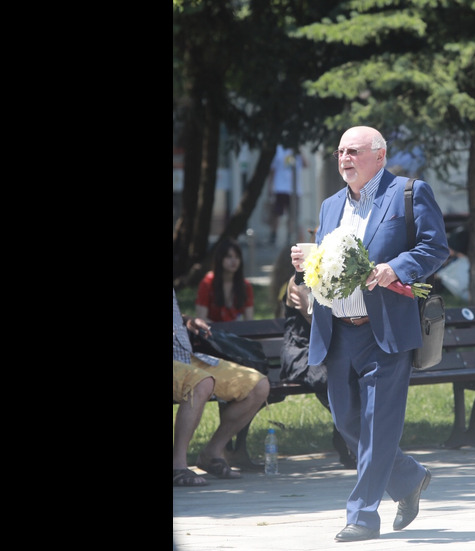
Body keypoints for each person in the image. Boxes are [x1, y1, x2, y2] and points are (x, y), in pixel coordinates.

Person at [291, 126, 450, 542]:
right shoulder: (329, 206)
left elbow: (435, 247)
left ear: (379, 156)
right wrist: (308, 261)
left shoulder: (407, 193)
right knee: (347, 421)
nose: (344, 158)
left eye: (354, 151)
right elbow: (331, 265)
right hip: (338, 331)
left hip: (384, 331)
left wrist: (396, 267)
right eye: (340, 151)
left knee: (378, 426)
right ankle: (409, 478)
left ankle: (361, 516)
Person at [173, 289, 270, 486]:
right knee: (201, 382)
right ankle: (178, 466)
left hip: (187, 357)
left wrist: (188, 320)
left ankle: (212, 452)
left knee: (257, 384)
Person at [280, 275, 357, 469]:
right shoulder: (297, 282)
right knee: (331, 378)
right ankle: (350, 438)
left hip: (327, 350)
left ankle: (349, 439)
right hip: (301, 352)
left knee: (352, 375)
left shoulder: (336, 279)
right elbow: (316, 320)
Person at [195, 239, 254, 323]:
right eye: (229, 257)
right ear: (220, 258)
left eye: (237, 257)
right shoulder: (207, 284)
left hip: (237, 333)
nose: (234, 261)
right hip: (213, 333)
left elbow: (249, 320)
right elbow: (201, 319)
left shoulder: (246, 286)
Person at [268, 145, 306, 246]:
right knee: (276, 214)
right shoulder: (278, 150)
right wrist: (270, 187)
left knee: (292, 215)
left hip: (294, 189)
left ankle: (290, 236)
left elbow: (306, 164)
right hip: (280, 188)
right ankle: (273, 235)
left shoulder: (296, 151)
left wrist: (300, 151)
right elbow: (272, 170)